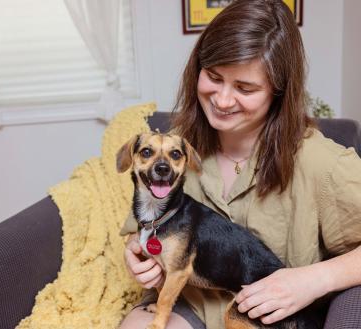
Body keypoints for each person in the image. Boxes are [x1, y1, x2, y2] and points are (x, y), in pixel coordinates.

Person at [119, 0, 361, 328]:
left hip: (266, 317)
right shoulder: (175, 149)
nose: (221, 100)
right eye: (214, 78)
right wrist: (136, 252)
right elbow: (142, 227)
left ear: (277, 91)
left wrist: (315, 279)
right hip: (188, 301)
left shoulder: (321, 162)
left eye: (245, 88)